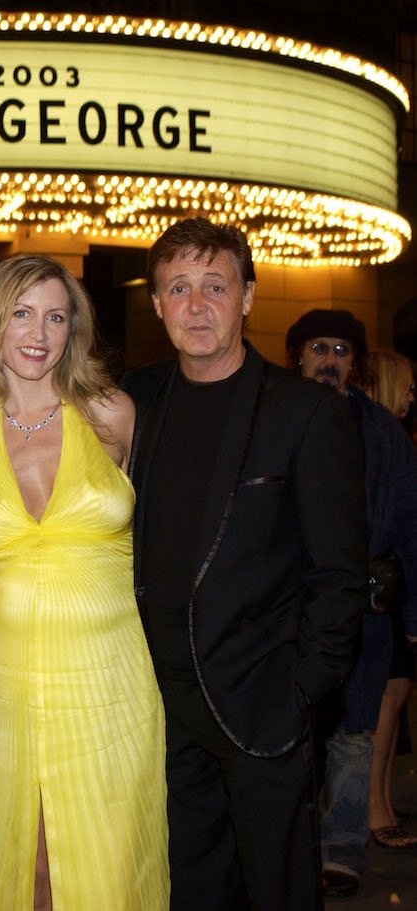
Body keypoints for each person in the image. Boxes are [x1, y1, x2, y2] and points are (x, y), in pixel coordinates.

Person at [119, 219, 367, 909]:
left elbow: (340, 572)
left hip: (264, 707)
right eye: (179, 288)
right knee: (190, 892)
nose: (197, 305)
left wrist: (302, 692)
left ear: (249, 297)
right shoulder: (133, 400)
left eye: (215, 286)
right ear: (159, 304)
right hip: (162, 707)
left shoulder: (307, 413)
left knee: (278, 892)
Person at [0, 254, 168, 909]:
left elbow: (165, 535)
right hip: (5, 679)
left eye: (55, 315)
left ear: (73, 329)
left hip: (108, 676)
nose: (38, 330)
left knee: (111, 855)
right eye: (21, 313)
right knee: (25, 858)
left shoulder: (112, 415)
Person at [284, 313, 417, 896]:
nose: (330, 358)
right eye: (319, 347)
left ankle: (341, 851)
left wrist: (412, 618)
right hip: (288, 608)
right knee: (288, 730)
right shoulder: (275, 420)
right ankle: (286, 846)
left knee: (354, 733)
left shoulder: (383, 432)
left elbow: (412, 526)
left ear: (354, 361)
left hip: (362, 612)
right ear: (298, 356)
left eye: (341, 349)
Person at [365, 347, 417, 852]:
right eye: (406, 384)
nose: (412, 395)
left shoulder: (389, 434)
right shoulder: (380, 434)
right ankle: (374, 809)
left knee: (394, 694)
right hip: (380, 586)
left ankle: (379, 800)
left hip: (392, 584)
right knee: (386, 696)